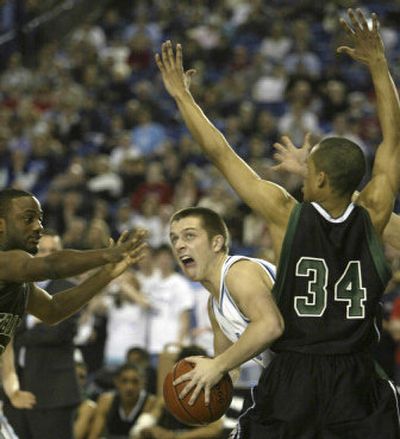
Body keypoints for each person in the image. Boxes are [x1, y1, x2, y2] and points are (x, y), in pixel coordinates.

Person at [156, 9, 400, 438]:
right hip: (358, 380)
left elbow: (221, 154)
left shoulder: (285, 213)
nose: (301, 171)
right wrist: (380, 66)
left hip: (295, 377)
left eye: (309, 168)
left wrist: (182, 97)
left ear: (321, 178)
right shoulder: (375, 213)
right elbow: (393, 140)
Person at [0, 187, 147, 355]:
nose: (38, 226)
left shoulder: (17, 281)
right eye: (28, 219)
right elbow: (51, 265)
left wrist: (106, 274)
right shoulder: (5, 262)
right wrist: (107, 254)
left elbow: (53, 310)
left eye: (40, 219)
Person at [168, 207, 283, 406]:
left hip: (320, 367)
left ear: (216, 243)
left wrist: (216, 366)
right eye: (174, 239)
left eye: (189, 236)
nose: (179, 245)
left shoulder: (238, 273)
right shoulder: (214, 306)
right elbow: (229, 370)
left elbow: (270, 325)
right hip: (289, 377)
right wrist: (196, 387)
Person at [3, 230, 81, 439]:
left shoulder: (70, 289)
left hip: (54, 394)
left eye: (53, 251)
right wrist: (33, 322)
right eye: (41, 250)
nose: (47, 256)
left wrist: (21, 325)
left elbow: (56, 333)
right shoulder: (15, 287)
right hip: (15, 392)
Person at [131, 345, 224, 439]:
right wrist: (147, 430)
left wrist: (175, 436)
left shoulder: (212, 399)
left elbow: (215, 429)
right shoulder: (165, 401)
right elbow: (144, 425)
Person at [87, 363, 157, 439]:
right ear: (116, 382)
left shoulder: (151, 402)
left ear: (143, 382)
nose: (129, 387)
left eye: (135, 381)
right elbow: (94, 435)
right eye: (124, 381)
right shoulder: (106, 401)